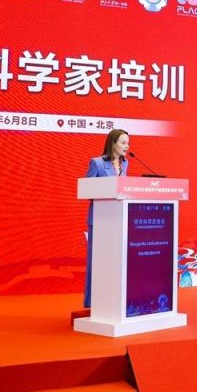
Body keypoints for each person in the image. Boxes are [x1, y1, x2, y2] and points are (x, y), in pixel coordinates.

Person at [82, 129, 129, 308]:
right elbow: (87, 190)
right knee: (97, 263)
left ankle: (114, 300)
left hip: (119, 220)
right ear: (113, 143)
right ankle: (93, 301)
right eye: (123, 142)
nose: (127, 146)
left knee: (115, 263)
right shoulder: (97, 163)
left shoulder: (125, 164)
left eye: (128, 143)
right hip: (101, 220)